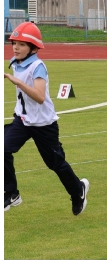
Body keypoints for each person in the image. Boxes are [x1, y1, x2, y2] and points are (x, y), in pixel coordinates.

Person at [5, 22, 90, 214]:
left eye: (21, 44)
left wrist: (16, 81)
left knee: (55, 164)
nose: (16, 47)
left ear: (33, 48)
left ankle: (78, 191)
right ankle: (11, 193)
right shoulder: (15, 61)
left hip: (44, 125)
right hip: (23, 120)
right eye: (14, 43)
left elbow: (40, 96)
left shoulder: (38, 66)